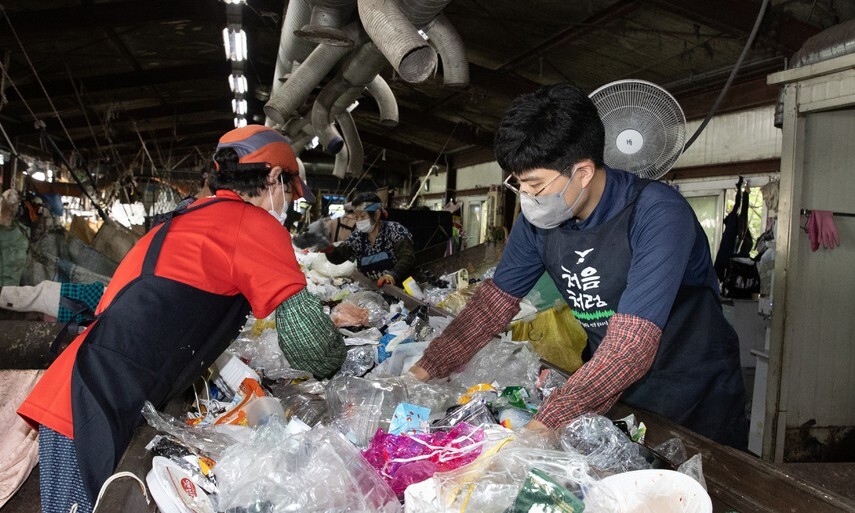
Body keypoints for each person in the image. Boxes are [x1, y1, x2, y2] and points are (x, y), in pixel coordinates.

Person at [17, 125, 346, 513]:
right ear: (274, 177)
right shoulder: (251, 224)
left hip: (83, 390)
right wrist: (345, 369)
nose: (289, 202)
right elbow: (312, 348)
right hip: (90, 407)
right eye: (289, 190)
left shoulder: (191, 216)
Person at [408, 83, 748, 449]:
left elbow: (631, 345)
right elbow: (491, 307)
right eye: (519, 184)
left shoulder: (658, 215)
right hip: (609, 387)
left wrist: (543, 427)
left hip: (692, 395)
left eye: (535, 185)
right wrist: (419, 373)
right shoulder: (539, 221)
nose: (527, 197)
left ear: (583, 173)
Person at [326, 192, 415, 286]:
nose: (359, 220)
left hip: (400, 292)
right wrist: (329, 249)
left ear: (376, 215)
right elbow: (339, 257)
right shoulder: (358, 237)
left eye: (363, 216)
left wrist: (392, 275)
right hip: (373, 293)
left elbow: (408, 257)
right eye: (356, 217)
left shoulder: (395, 230)